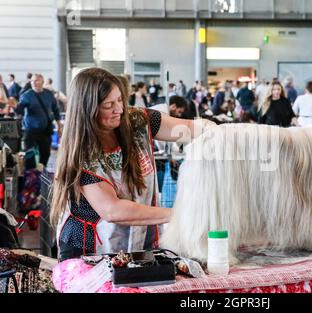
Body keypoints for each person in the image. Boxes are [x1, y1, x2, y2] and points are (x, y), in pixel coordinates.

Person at [50, 68, 216, 261]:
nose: (119, 109)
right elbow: (112, 210)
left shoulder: (139, 120)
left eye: (120, 100)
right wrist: (181, 213)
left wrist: (216, 133)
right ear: (88, 109)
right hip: (89, 249)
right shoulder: (81, 153)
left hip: (138, 239)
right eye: (108, 105)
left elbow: (188, 129)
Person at [15, 74, 62, 167]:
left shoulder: (48, 94)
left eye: (36, 80)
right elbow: (19, 110)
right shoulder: (26, 95)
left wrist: (59, 125)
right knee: (29, 154)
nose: (34, 83)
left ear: (42, 82)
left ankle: (42, 170)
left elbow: (56, 109)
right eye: (32, 81)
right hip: (30, 130)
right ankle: (31, 175)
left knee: (45, 153)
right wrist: (15, 107)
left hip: (45, 130)